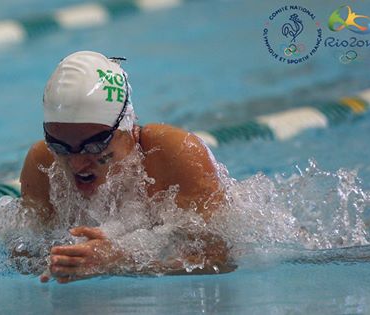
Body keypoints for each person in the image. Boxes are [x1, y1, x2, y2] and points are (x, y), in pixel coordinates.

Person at [20, 51, 232, 283]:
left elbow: (217, 255)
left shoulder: (175, 155)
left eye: (94, 146)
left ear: (127, 127)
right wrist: (51, 261)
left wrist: (122, 259)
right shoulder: (42, 164)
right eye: (60, 147)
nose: (77, 163)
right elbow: (22, 250)